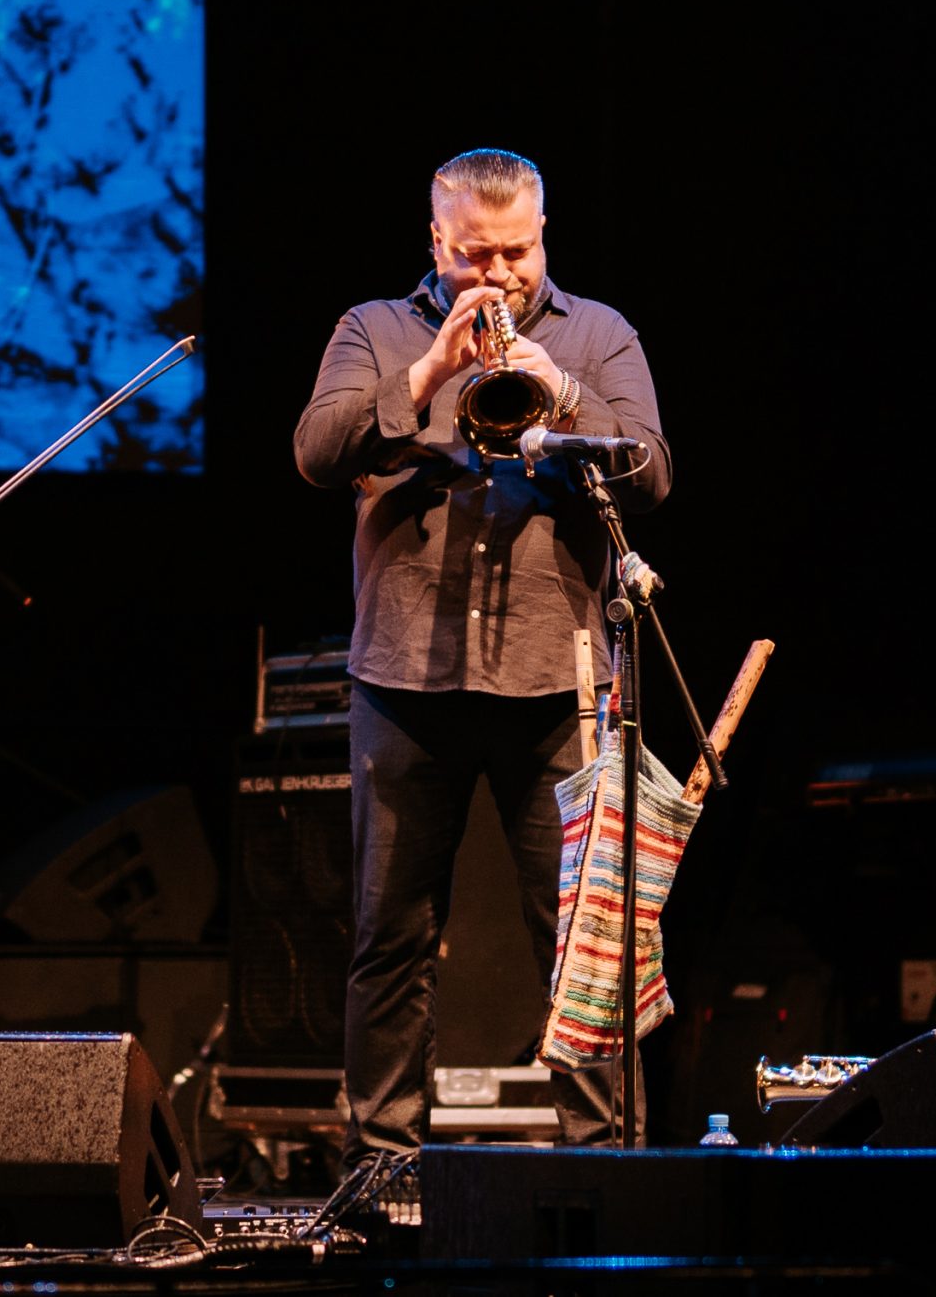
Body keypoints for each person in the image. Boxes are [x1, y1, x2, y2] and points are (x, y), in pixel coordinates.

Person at [294, 147, 672, 1164]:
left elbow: (652, 476)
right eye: (474, 255)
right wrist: (428, 373)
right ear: (437, 240)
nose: (497, 275)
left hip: (557, 678)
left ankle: (603, 1165)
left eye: (515, 252)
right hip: (404, 677)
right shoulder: (375, 328)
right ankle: (382, 1172)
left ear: (542, 236)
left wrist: (561, 390)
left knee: (584, 944)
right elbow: (317, 454)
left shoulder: (597, 333)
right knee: (390, 938)